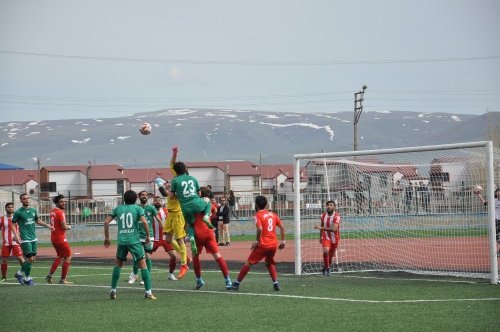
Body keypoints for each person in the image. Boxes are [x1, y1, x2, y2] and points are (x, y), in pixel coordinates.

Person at [104, 190, 156, 300]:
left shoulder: (118, 209)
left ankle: (113, 290)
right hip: (134, 241)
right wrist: (147, 236)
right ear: (135, 199)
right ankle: (148, 292)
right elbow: (145, 222)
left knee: (118, 264)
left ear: (124, 199)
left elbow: (106, 222)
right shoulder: (138, 208)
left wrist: (107, 238)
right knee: (143, 265)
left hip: (122, 241)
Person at [231, 195, 285, 291]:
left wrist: (257, 241)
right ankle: (276, 284)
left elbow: (259, 228)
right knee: (269, 262)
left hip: (264, 244)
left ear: (256, 205)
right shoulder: (273, 214)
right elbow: (282, 227)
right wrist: (283, 241)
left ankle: (236, 284)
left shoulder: (258, 215)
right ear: (266, 204)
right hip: (273, 245)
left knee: (249, 263)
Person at [157, 146, 191, 279]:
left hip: (177, 213)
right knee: (168, 239)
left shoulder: (182, 182)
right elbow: (172, 164)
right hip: (170, 213)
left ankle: (184, 264)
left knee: (180, 240)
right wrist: (175, 153)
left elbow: (171, 195)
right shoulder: (177, 177)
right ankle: (185, 257)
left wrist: (162, 187)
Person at [170, 152, 213, 255]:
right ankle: (206, 216)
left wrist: (180, 195)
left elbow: (171, 196)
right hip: (196, 203)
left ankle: (192, 238)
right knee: (207, 200)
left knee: (190, 224)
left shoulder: (174, 181)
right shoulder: (193, 178)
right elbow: (199, 193)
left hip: (185, 208)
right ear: (185, 169)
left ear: (175, 171)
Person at [191, 187, 232, 290]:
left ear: (199, 193)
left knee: (195, 256)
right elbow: (214, 214)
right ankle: (227, 280)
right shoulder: (211, 205)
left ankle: (199, 280)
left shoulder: (195, 204)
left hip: (198, 232)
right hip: (209, 233)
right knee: (217, 256)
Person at [11, 193, 54, 286]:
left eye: (27, 198)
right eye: (24, 199)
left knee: (33, 259)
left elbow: (37, 220)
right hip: (25, 239)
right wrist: (16, 235)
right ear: (21, 201)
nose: (26, 200)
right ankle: (27, 278)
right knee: (29, 259)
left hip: (34, 238)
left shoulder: (33, 210)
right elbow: (13, 225)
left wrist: (47, 225)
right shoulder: (18, 212)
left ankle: (19, 274)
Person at [128, 191, 161, 285]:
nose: (145, 197)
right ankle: (134, 275)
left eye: (146, 195)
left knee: (147, 256)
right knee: (137, 258)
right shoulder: (136, 208)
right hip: (137, 236)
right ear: (139, 197)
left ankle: (146, 277)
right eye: (143, 195)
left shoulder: (151, 208)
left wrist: (166, 231)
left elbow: (158, 220)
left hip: (149, 236)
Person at [45, 194, 73, 284]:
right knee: (68, 256)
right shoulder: (60, 212)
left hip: (54, 238)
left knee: (60, 256)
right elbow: (64, 226)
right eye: (61, 201)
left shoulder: (52, 211)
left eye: (64, 201)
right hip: (60, 238)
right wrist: (69, 227)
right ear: (57, 203)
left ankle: (49, 275)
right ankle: (63, 279)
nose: (63, 203)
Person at [152, 195, 178, 281]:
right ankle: (138, 275)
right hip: (154, 238)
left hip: (165, 238)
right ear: (153, 202)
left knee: (174, 256)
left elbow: (171, 221)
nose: (158, 201)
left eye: (159, 200)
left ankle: (170, 274)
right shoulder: (150, 211)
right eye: (156, 200)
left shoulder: (165, 211)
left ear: (161, 202)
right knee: (144, 257)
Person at [314, 200, 341, 276]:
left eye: (331, 205)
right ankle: (328, 269)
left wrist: (320, 228)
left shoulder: (337, 216)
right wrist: (320, 236)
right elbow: (321, 226)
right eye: (328, 205)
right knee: (326, 251)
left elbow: (333, 229)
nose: (329, 206)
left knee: (330, 256)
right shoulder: (323, 215)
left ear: (334, 207)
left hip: (335, 238)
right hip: (326, 236)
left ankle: (324, 268)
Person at [0, 202, 25, 282]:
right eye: (8, 207)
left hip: (16, 242)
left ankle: (22, 274)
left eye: (12, 207)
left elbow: (22, 228)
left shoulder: (17, 218)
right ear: (5, 209)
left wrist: (18, 235)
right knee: (4, 260)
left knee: (21, 259)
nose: (10, 208)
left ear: (13, 208)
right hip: (6, 243)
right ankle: (4, 277)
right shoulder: (2, 219)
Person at [475, 188, 500, 256]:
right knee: (496, 236)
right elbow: (485, 203)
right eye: (497, 192)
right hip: (497, 220)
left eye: (499, 192)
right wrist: (478, 194)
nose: (498, 193)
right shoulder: (494, 201)